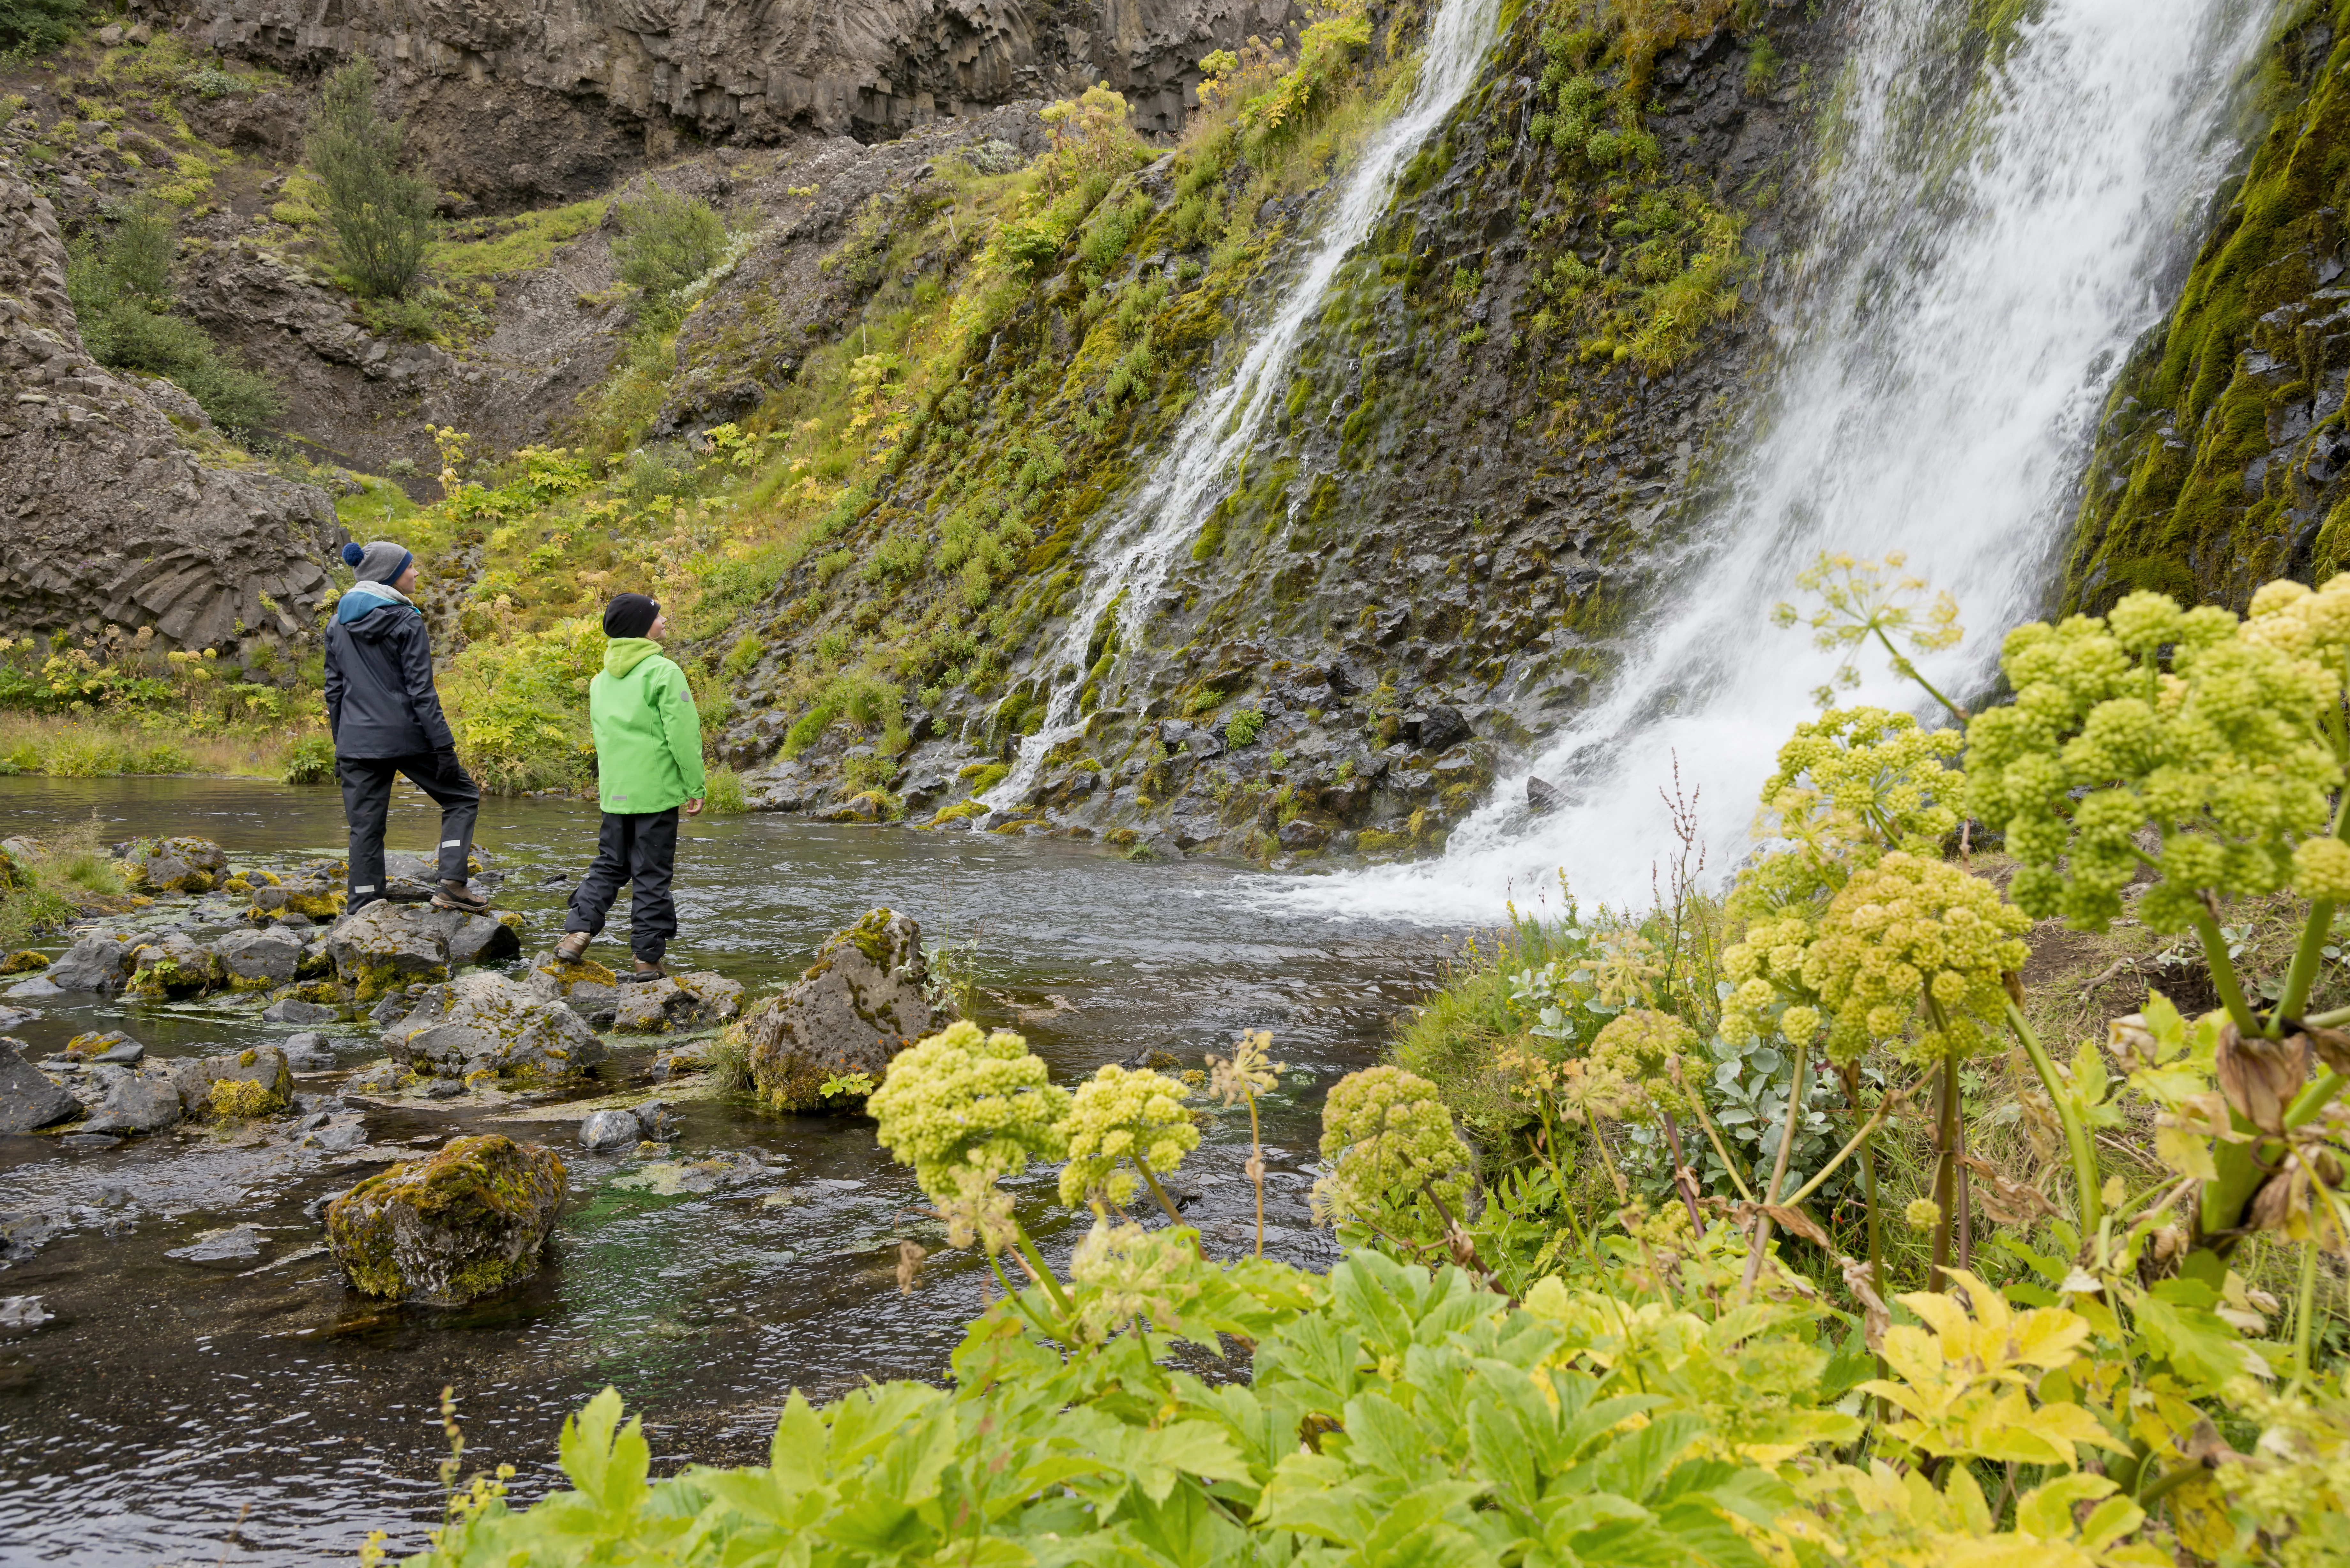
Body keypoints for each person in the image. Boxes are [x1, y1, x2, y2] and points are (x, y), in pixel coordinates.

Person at [322, 539, 489, 915]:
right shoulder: (406, 618)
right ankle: (451, 884)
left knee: (365, 826)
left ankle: (364, 902)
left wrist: (341, 743)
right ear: (389, 574)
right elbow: (421, 692)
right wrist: (444, 747)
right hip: (408, 736)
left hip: (355, 742)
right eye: (409, 567)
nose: (415, 573)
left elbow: (334, 691)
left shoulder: (337, 622)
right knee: (461, 795)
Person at [553, 592, 704, 981]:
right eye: (657, 616)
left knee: (609, 865)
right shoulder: (663, 671)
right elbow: (683, 736)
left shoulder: (600, 681)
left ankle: (576, 934)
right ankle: (646, 960)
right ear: (641, 627)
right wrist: (695, 785)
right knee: (651, 874)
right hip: (654, 794)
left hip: (615, 793)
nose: (664, 620)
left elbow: (605, 738)